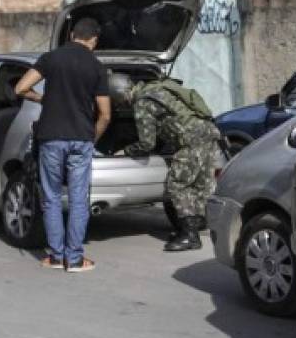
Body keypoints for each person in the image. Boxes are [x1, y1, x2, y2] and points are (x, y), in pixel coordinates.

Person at [15, 17, 111, 273]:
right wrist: (93, 138)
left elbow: (20, 88)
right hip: (81, 138)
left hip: (51, 138)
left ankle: (56, 257)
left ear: (71, 35)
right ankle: (76, 259)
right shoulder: (97, 67)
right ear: (94, 40)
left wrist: (42, 98)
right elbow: (106, 114)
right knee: (79, 199)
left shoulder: (51, 58)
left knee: (52, 198)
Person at [111, 74, 220, 252]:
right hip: (207, 132)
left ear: (122, 94)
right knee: (200, 184)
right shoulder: (157, 88)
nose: (120, 105)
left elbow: (147, 143)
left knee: (177, 184)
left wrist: (126, 151)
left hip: (190, 139)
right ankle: (196, 225)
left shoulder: (142, 102)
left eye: (118, 101)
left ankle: (190, 236)